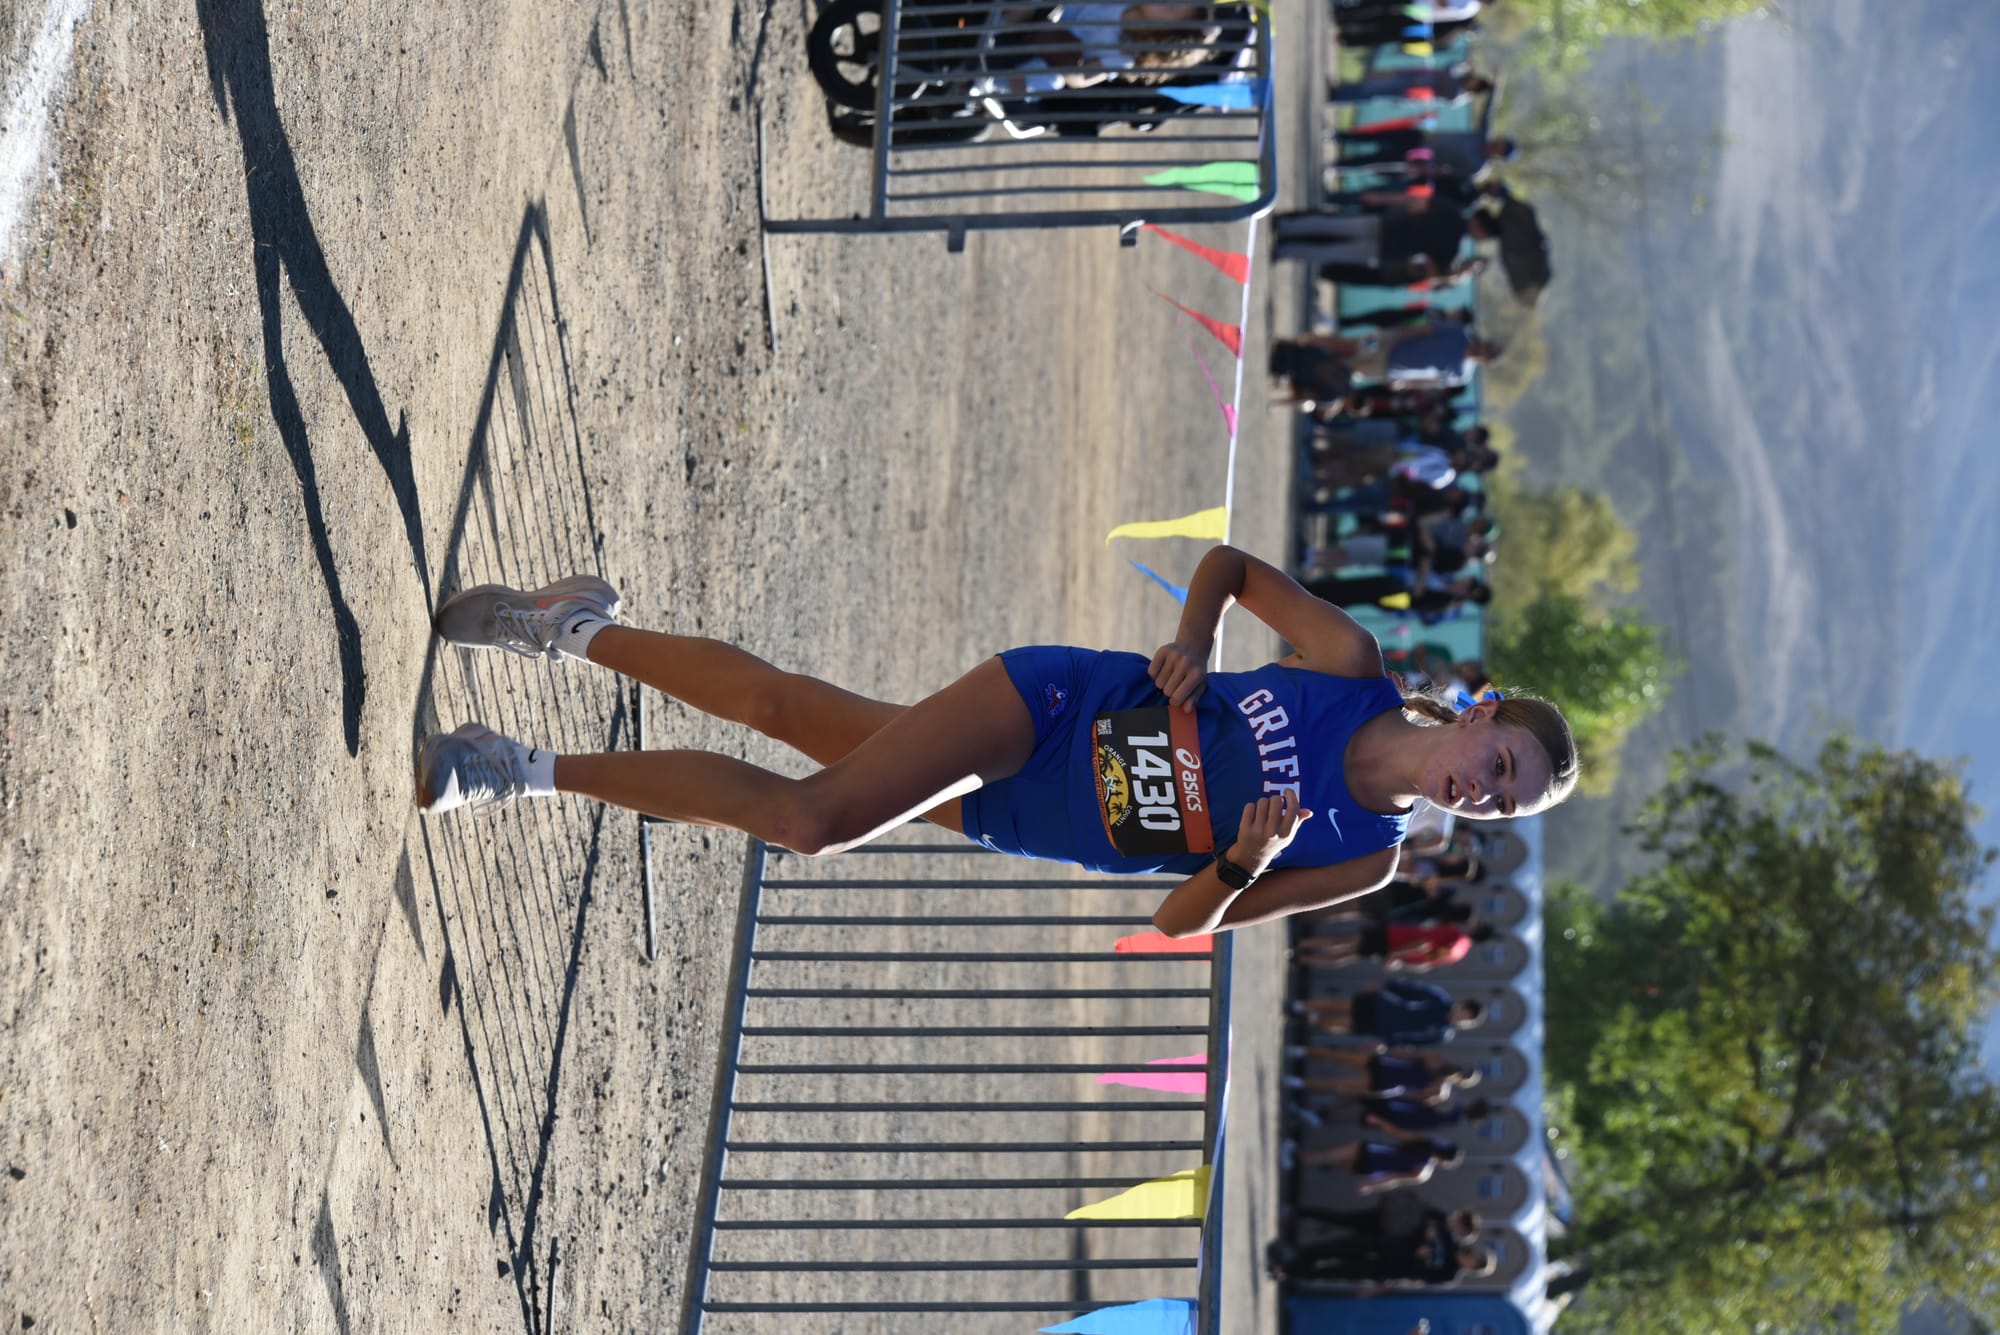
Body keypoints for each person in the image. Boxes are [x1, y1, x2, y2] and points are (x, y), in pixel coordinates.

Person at [414, 547, 1579, 939]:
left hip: (1027, 815)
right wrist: (1190, 643)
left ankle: (574, 626)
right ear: (1480, 718)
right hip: (1056, 709)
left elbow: (1178, 924)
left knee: (783, 715)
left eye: (1503, 806)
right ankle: (514, 764)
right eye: (1501, 768)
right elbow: (1226, 568)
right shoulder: (1348, 664)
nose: (1483, 793)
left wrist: (1242, 863)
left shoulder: (1363, 858)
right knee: (808, 820)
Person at [1291, 979, 1484, 1045]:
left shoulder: (1442, 1033)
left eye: (1466, 1021)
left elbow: (1412, 1042)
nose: (1462, 1019)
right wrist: (1385, 986)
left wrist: (1387, 1043)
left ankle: (1312, 1019)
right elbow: (1411, 989)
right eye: (1465, 1014)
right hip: (1384, 1004)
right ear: (1463, 1007)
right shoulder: (1440, 999)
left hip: (1384, 1027)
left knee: (1340, 1025)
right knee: (1340, 1005)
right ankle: (1300, 1006)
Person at [1296, 920, 1495, 970]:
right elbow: (1427, 964)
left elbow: (1423, 944)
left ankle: (1302, 946)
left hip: (1397, 940)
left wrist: (1396, 953)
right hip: (1398, 950)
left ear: (1477, 929)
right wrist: (1402, 961)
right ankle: (1305, 959)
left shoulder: (1455, 935)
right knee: (1350, 954)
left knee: (1346, 941)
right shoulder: (1460, 952)